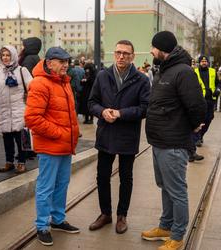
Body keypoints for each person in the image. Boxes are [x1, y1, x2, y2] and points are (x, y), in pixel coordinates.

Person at [142, 31, 206, 250]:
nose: (151, 51)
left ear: (162, 49)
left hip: (174, 143)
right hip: (158, 141)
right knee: (165, 187)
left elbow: (197, 105)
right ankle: (166, 226)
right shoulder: (163, 70)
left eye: (153, 47)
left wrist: (194, 126)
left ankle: (177, 236)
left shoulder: (183, 72)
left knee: (177, 191)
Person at [88, 40, 150, 234]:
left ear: (133, 56)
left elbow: (145, 108)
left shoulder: (141, 79)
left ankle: (122, 216)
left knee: (126, 177)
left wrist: (121, 113)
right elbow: (91, 102)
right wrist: (102, 111)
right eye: (118, 53)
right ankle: (105, 214)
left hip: (127, 135)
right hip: (106, 134)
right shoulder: (103, 76)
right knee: (102, 176)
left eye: (125, 53)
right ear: (113, 54)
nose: (121, 56)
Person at [24, 47, 80, 246]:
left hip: (65, 145)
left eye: (67, 61)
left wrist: (74, 132)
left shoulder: (63, 81)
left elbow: (67, 113)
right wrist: (59, 133)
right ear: (49, 63)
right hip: (51, 146)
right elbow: (32, 118)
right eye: (61, 61)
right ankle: (42, 226)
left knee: (62, 184)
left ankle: (57, 220)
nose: (65, 64)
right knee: (46, 187)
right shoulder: (40, 83)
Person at [0, 45, 32, 173]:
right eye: (3, 55)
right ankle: (9, 162)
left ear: (13, 55)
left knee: (21, 139)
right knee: (7, 139)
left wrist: (28, 105)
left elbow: (32, 87)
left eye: (8, 55)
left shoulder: (22, 70)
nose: (5, 58)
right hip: (4, 111)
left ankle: (22, 162)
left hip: (20, 110)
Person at [193, 55, 221, 147]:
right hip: (199, 100)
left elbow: (218, 83)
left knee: (209, 118)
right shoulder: (195, 72)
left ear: (208, 62)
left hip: (210, 100)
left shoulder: (213, 71)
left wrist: (217, 90)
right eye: (202, 61)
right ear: (199, 63)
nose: (204, 63)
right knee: (199, 119)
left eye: (205, 61)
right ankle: (197, 138)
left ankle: (201, 135)